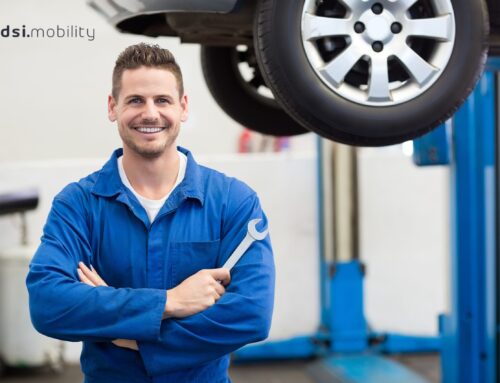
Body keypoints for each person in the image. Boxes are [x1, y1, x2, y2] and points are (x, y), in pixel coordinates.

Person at [26, 43, 275, 383]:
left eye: (162, 100)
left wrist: (132, 337)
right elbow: (47, 303)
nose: (150, 113)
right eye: (135, 100)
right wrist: (169, 302)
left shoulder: (233, 202)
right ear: (112, 107)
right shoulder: (78, 205)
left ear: (183, 107)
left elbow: (251, 315)